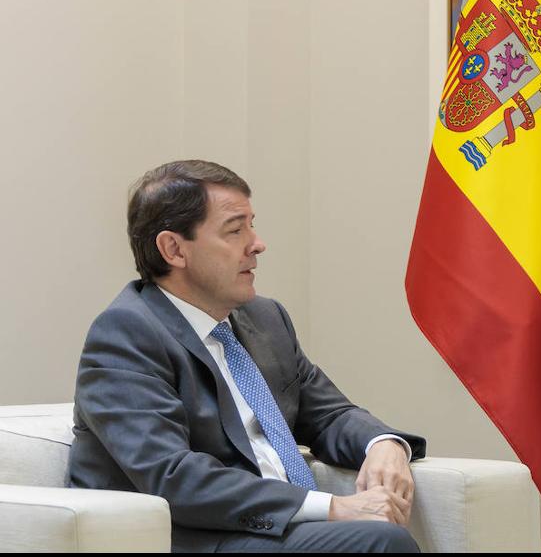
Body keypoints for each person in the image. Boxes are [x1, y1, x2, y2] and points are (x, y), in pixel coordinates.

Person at [70, 160, 425, 552]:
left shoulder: (265, 319)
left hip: (276, 531)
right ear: (174, 249)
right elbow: (174, 476)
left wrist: (384, 445)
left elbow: (329, 415)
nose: (257, 243)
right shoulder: (126, 334)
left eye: (252, 225)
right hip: (201, 538)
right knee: (378, 543)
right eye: (235, 229)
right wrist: (334, 507)